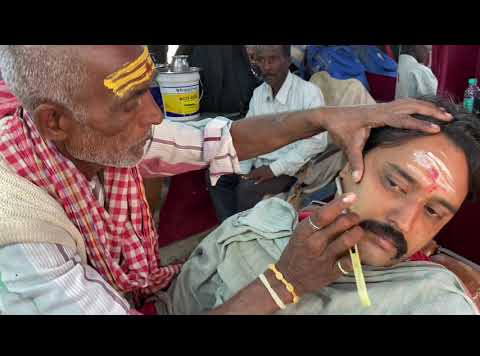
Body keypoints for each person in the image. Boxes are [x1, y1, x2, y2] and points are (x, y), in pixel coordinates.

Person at [0, 45, 452, 315]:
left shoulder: (97, 135)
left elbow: (217, 139)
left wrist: (323, 115)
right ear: (54, 121)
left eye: (434, 209)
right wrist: (283, 282)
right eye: (131, 102)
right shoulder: (20, 244)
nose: (155, 115)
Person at [169, 96, 480, 315]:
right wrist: (284, 283)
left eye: (433, 212)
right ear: (348, 163)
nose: (405, 221)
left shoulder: (434, 301)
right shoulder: (248, 237)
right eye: (395, 184)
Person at [210, 45, 327, 222]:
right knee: (218, 175)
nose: (266, 67)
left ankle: (243, 234)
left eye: (272, 59)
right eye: (261, 60)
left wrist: (273, 169)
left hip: (292, 169)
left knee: (246, 190)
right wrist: (242, 170)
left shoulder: (308, 93)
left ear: (288, 61)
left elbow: (317, 142)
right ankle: (230, 227)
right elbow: (248, 137)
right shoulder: (259, 93)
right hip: (261, 163)